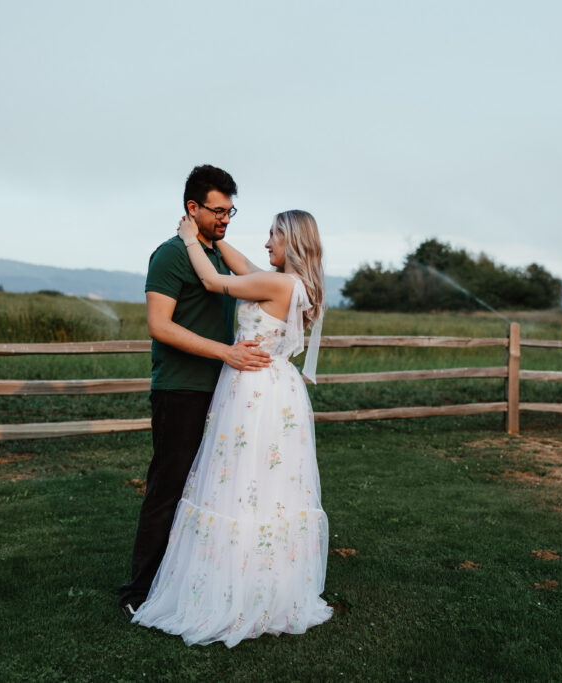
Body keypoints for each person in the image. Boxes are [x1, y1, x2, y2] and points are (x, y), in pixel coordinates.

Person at [132, 209, 331, 647]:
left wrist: (190, 237)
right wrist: (214, 232)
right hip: (277, 388)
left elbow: (212, 281)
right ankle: (264, 585)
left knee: (239, 483)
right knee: (267, 487)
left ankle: (234, 590)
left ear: (292, 241)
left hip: (254, 391)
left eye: (274, 235)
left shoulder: (278, 284)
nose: (267, 242)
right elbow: (243, 265)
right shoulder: (293, 284)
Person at [119, 165, 272, 617]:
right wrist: (226, 352)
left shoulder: (218, 255)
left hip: (224, 392)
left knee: (207, 489)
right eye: (217, 211)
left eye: (230, 211)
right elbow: (159, 325)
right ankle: (138, 593)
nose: (225, 218)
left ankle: (183, 582)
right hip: (181, 389)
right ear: (192, 207)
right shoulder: (170, 255)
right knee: (168, 487)